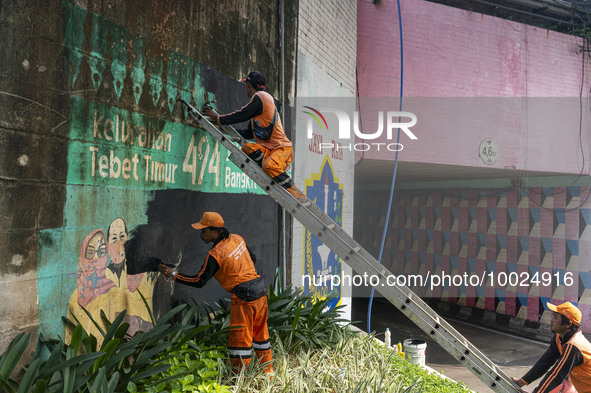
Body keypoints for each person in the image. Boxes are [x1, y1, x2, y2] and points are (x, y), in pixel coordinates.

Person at [157, 212, 273, 374]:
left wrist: (173, 274)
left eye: (204, 230)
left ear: (216, 232)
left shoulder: (215, 255)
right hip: (260, 293)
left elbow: (199, 281)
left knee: (240, 342)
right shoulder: (237, 238)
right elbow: (251, 259)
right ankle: (268, 373)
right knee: (261, 336)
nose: (201, 234)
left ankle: (239, 379)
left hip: (243, 299)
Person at [202, 71, 304, 200]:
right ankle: (269, 165)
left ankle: (296, 193)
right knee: (247, 148)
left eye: (246, 85)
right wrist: (220, 128)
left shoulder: (261, 97)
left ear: (249, 85)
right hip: (270, 152)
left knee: (269, 166)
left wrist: (218, 118)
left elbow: (241, 114)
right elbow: (247, 133)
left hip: (282, 150)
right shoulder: (260, 111)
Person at [511, 302, 591, 393]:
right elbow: (545, 362)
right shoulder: (559, 337)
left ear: (568, 324)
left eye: (556, 317)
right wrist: (522, 381)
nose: (551, 320)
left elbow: (556, 375)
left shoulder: (574, 346)